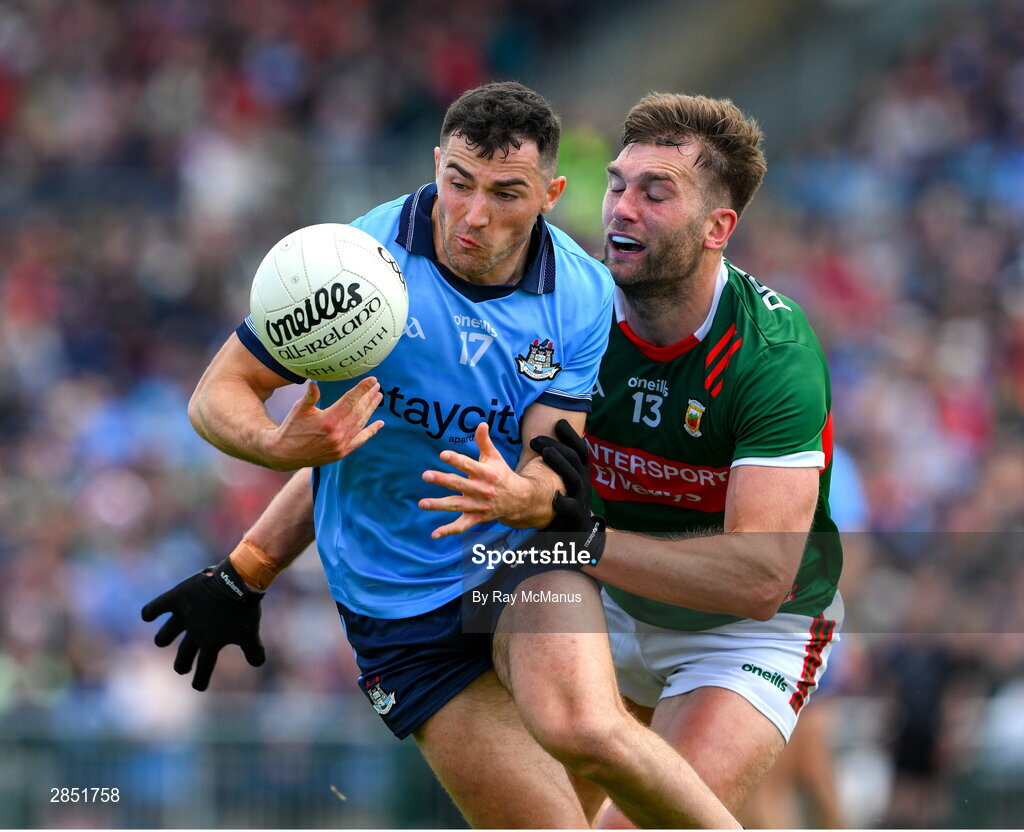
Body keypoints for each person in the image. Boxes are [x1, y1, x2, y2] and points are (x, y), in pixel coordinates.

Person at [142, 81, 738, 829]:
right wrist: (271, 446)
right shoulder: (352, 264)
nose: (473, 214)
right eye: (457, 183)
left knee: (586, 729)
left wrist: (529, 494)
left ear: (552, 193)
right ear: (436, 165)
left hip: (514, 567)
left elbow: (553, 455)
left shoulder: (581, 296)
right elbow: (217, 393)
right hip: (398, 613)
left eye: (506, 193)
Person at [535, 92, 844, 824]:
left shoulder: (771, 355)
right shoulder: (567, 311)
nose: (620, 208)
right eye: (616, 183)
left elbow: (759, 577)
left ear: (718, 228)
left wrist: (586, 544)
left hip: (742, 635)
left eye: (655, 192)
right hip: (602, 605)